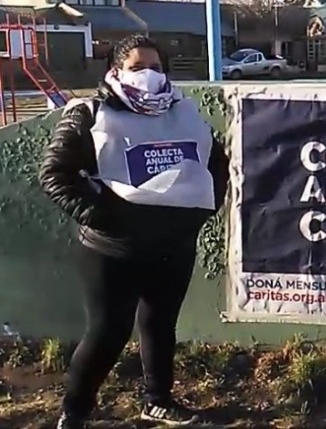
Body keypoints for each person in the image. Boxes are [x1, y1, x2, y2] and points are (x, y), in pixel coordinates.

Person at [38, 34, 230, 429]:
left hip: (173, 247)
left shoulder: (184, 113)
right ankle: (74, 413)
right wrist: (104, 218)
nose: (149, 75)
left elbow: (217, 165)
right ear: (116, 70)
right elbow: (54, 175)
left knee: (160, 327)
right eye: (138, 67)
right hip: (112, 250)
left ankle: (158, 401)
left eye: (156, 68)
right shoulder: (90, 114)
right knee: (108, 333)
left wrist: (200, 213)